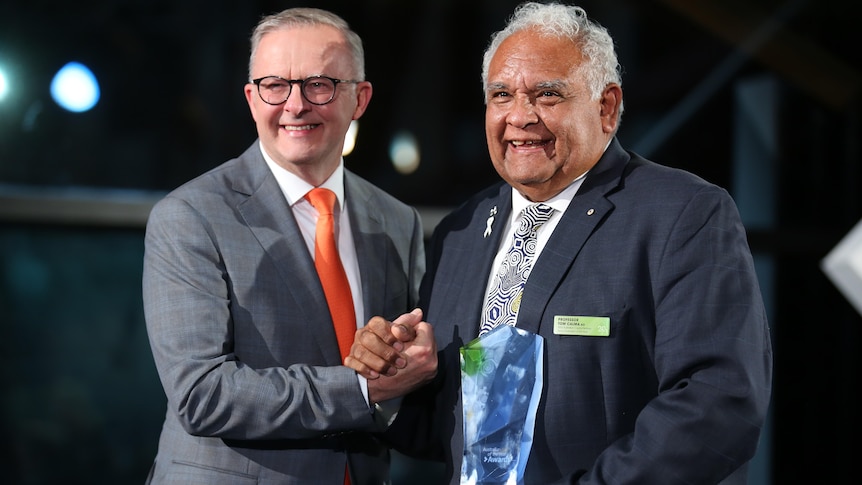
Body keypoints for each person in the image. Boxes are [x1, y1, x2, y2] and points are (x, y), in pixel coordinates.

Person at [346, 2, 774, 484]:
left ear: (606, 107)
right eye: (502, 94)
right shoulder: (461, 232)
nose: (520, 116)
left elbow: (718, 403)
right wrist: (395, 385)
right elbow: (452, 430)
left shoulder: (683, 213)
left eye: (547, 94)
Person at [142, 7, 435, 484]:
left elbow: (404, 381)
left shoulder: (398, 221)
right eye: (274, 85)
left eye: (319, 84)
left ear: (360, 98)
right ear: (251, 98)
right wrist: (361, 389)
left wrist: (411, 357)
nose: (295, 105)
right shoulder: (190, 216)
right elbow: (202, 395)